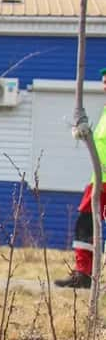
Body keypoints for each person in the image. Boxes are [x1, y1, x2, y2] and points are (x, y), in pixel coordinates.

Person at [54, 67, 106, 289]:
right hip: (99, 179)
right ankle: (84, 274)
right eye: (104, 82)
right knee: (85, 224)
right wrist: (84, 133)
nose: (104, 86)